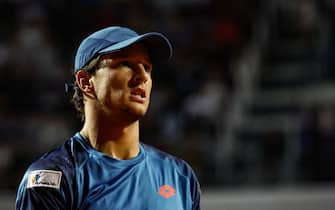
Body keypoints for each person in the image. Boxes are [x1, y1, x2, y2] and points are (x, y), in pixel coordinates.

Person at [15, 26, 201, 210]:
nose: (142, 76)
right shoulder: (53, 178)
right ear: (86, 82)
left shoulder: (180, 175)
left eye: (146, 67)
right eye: (126, 64)